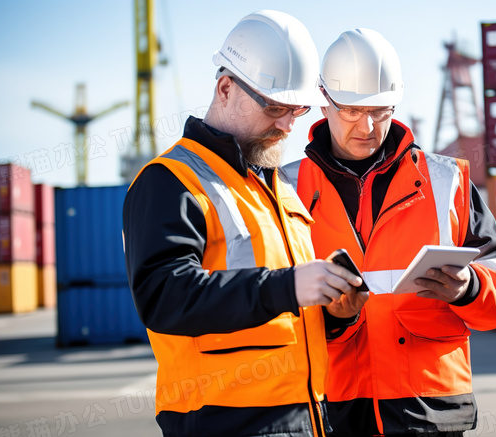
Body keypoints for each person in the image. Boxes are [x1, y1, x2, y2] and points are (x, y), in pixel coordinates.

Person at [123, 11, 368, 437]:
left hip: (306, 419)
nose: (288, 125)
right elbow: (162, 297)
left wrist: (335, 313)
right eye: (275, 107)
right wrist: (287, 286)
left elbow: (283, 317)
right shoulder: (169, 181)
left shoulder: (276, 188)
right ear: (225, 88)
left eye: (297, 109)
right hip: (221, 422)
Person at [285, 28, 496, 437]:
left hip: (429, 411)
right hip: (333, 409)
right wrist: (333, 318)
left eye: (381, 110)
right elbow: (268, 306)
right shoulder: (286, 190)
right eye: (352, 111)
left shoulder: (446, 180)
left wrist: (468, 289)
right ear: (324, 100)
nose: (368, 126)